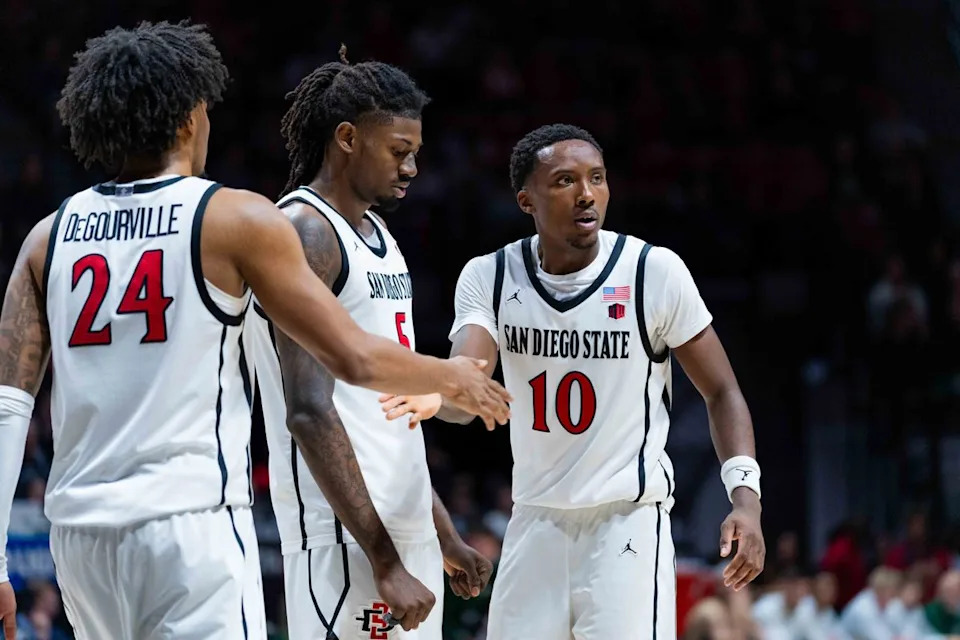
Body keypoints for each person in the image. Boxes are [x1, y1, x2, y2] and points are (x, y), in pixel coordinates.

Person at [0, 21, 510, 640]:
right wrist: (451, 375)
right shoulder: (235, 217)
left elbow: (8, 408)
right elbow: (349, 356)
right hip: (190, 525)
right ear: (189, 116)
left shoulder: (46, 237)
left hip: (80, 538)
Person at [381, 123, 765, 638]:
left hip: (626, 523)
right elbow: (467, 380)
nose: (587, 194)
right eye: (564, 181)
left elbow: (723, 391)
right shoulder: (490, 276)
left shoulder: (653, 271)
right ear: (526, 200)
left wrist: (745, 497)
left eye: (598, 178)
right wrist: (439, 390)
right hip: (533, 520)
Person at [246, 49, 493, 639]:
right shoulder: (305, 232)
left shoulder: (378, 233)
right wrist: (384, 559)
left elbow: (392, 419)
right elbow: (308, 409)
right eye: (398, 152)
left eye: (416, 154)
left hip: (401, 532)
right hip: (346, 539)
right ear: (348, 137)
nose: (411, 169)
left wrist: (443, 535)